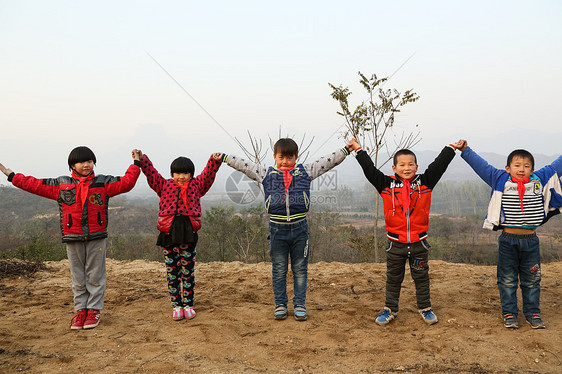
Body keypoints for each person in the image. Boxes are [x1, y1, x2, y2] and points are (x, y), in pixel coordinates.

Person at [0, 146, 141, 330]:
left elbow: (127, 182)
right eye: (82, 162)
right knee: (78, 276)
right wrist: (11, 175)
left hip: (96, 237)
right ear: (72, 165)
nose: (87, 165)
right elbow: (34, 184)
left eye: (90, 161)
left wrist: (136, 163)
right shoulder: (61, 184)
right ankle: (80, 310)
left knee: (96, 275)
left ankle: (94, 310)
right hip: (72, 236)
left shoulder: (102, 183)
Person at [221, 138, 351, 321]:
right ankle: (280, 305)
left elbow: (327, 162)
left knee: (300, 269)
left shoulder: (305, 172)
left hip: (300, 229)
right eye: (281, 157)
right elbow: (244, 165)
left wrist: (346, 149)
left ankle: (299, 305)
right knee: (279, 269)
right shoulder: (265, 173)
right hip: (277, 229)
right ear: (274, 157)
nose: (285, 161)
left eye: (290, 157)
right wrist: (226, 157)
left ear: (296, 158)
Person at [348, 138, 461, 326]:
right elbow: (369, 169)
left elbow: (439, 165)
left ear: (417, 167)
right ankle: (390, 309)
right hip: (395, 244)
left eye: (410, 164)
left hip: (419, 244)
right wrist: (358, 150)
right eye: (401, 164)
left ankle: (425, 308)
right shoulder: (385, 185)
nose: (406, 168)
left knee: (421, 278)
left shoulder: (425, 182)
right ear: (394, 168)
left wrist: (451, 148)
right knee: (393, 279)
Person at [457, 140, 562, 329]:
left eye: (526, 166)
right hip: (508, 240)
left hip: (531, 241)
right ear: (508, 168)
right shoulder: (500, 179)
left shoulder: (540, 179)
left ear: (532, 170)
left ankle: (533, 313)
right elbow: (482, 166)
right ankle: (509, 313)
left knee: (532, 279)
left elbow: (557, 166)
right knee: (507, 279)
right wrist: (465, 150)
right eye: (517, 165)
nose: (522, 169)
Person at [134, 149, 222, 321]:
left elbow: (208, 175)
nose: (181, 176)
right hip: (168, 233)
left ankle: (188, 304)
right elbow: (152, 174)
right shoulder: (164, 185)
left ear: (191, 174)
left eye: (186, 173)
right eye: (177, 173)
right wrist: (143, 159)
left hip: (188, 234)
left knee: (187, 272)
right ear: (172, 173)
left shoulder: (197, 186)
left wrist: (214, 161)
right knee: (172, 272)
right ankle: (176, 305)